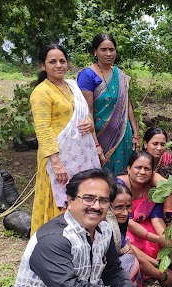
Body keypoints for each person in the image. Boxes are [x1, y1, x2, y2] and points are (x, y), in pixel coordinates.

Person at [7, 169, 152, 287]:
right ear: (70, 200)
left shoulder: (104, 230)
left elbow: (114, 271)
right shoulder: (54, 239)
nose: (96, 206)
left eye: (103, 200)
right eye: (88, 199)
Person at [30, 43, 101, 236]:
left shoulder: (72, 85)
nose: (58, 65)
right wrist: (56, 163)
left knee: (81, 192)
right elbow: (43, 129)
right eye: (52, 62)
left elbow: (84, 114)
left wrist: (89, 124)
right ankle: (55, 239)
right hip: (57, 156)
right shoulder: (41, 92)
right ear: (43, 66)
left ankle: (83, 233)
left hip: (79, 155)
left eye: (62, 61)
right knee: (60, 197)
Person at [77, 33, 139, 175]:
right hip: (99, 135)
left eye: (111, 50)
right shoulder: (87, 75)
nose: (108, 53)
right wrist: (96, 144)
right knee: (102, 177)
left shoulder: (120, 74)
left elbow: (127, 105)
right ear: (95, 52)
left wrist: (135, 133)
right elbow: (87, 111)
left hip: (124, 134)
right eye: (103, 50)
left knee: (124, 175)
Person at [107, 182, 172, 286]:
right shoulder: (107, 229)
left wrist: (159, 266)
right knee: (131, 262)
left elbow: (131, 250)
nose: (125, 213)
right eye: (119, 207)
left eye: (128, 207)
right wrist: (163, 276)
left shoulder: (118, 227)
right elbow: (136, 258)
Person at [117, 151, 172, 260]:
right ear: (129, 168)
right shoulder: (119, 186)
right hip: (122, 224)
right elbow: (127, 221)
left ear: (152, 173)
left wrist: (167, 240)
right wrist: (157, 239)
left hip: (142, 225)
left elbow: (156, 218)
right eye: (138, 167)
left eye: (147, 169)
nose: (142, 172)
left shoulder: (153, 191)